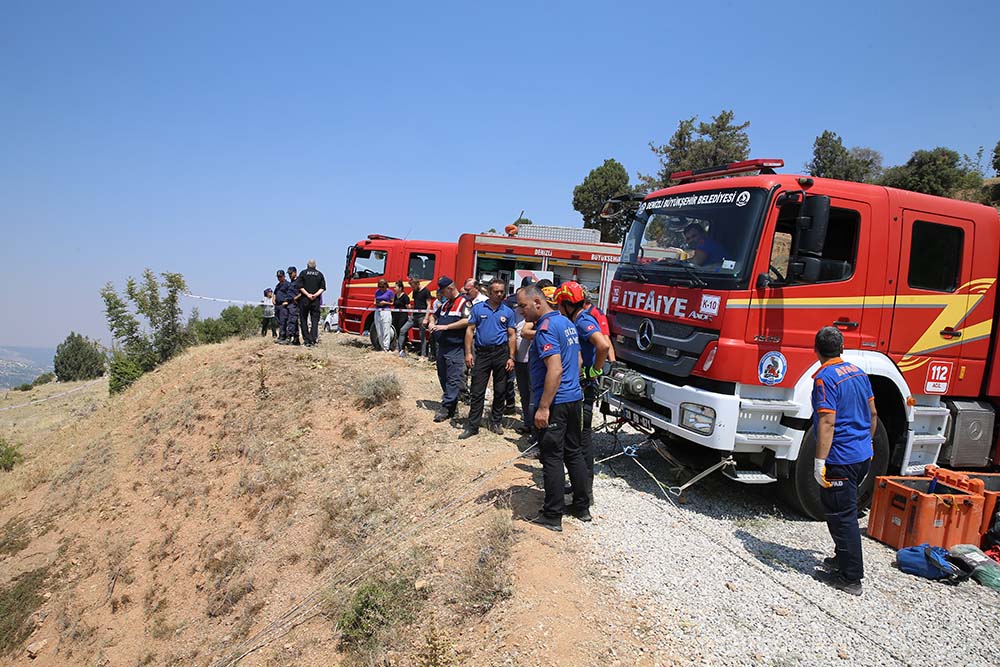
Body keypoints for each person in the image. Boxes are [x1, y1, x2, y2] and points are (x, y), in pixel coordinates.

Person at [811, 326, 877, 596]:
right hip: (862, 455)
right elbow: (873, 414)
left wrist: (819, 461)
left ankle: (851, 577)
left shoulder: (824, 378)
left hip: (841, 457)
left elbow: (827, 421)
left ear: (816, 350)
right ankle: (842, 558)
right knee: (842, 510)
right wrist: (867, 444)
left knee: (842, 516)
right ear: (841, 348)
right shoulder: (859, 373)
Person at [517, 283, 588, 532]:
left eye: (523, 306)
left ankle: (552, 514)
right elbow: (578, 360)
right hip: (573, 398)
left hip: (556, 402)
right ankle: (582, 507)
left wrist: (544, 407)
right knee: (574, 452)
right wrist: (572, 387)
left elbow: (555, 369)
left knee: (552, 457)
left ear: (538, 302)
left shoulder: (545, 328)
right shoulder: (567, 323)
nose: (520, 311)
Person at [554, 281, 613, 497]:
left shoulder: (582, 321)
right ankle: (580, 484)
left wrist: (594, 372)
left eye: (560, 305)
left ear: (567, 304)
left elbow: (603, 345)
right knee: (577, 436)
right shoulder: (576, 320)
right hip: (580, 384)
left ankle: (585, 491)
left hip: (585, 386)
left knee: (582, 438)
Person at [461, 279, 516, 439]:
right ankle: (472, 426)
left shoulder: (508, 312)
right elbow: (470, 330)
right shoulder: (478, 309)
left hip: (501, 353)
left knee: (500, 390)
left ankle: (496, 421)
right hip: (482, 354)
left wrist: (511, 357)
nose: (499, 294)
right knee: (477, 390)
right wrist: (468, 353)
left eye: (502, 292)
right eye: (496, 292)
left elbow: (512, 335)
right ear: (489, 293)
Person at [428, 276, 470, 422]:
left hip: (455, 347)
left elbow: (467, 321)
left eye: (443, 291)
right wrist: (431, 322)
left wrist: (446, 327)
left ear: (450, 289)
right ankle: (451, 406)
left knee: (453, 378)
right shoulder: (446, 304)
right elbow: (434, 315)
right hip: (443, 346)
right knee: (443, 376)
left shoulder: (464, 303)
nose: (441, 294)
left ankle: (447, 407)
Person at [398, 276, 432, 358]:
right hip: (414, 316)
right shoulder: (415, 292)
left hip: (422, 316)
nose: (412, 287)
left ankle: (423, 355)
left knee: (422, 335)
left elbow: (429, 305)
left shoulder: (426, 291)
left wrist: (426, 318)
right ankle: (400, 351)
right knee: (402, 330)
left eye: (412, 285)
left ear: (417, 283)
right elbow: (415, 304)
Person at [297, 259, 326, 347]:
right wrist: (315, 295)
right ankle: (313, 339)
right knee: (314, 321)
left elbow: (299, 286)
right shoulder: (320, 274)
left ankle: (306, 340)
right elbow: (322, 288)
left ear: (307, 265)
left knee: (303, 319)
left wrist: (308, 294)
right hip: (315, 301)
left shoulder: (303, 273)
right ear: (315, 266)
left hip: (305, 300)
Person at [274, 269, 300, 345]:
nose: (279, 278)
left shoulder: (288, 284)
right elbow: (275, 293)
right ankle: (286, 337)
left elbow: (295, 294)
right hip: (279, 305)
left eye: (280, 276)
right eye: (278, 277)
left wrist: (291, 300)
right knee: (282, 321)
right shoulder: (278, 285)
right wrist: (274, 299)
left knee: (289, 321)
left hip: (288, 305)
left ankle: (288, 337)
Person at [373, 279, 395, 352]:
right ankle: (381, 346)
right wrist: (378, 303)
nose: (381, 288)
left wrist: (385, 303)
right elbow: (375, 301)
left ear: (386, 285)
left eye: (382, 286)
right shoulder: (377, 292)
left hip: (386, 310)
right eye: (380, 286)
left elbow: (392, 303)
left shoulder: (390, 292)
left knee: (386, 329)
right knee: (379, 330)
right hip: (378, 310)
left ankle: (386, 347)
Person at [286, 266, 303, 345]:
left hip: (294, 304)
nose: (289, 275)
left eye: (291, 273)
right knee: (294, 321)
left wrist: (296, 298)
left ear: (295, 272)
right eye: (289, 274)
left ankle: (289, 337)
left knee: (292, 320)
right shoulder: (291, 282)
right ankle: (296, 339)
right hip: (290, 304)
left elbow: (302, 291)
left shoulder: (299, 281)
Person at [391, 280, 411, 347]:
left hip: (402, 316)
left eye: (395, 287)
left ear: (400, 288)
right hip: (395, 315)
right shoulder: (395, 296)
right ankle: (395, 344)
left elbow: (408, 306)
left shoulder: (405, 296)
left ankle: (402, 346)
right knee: (395, 329)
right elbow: (393, 304)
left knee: (401, 330)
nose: (394, 288)